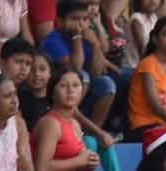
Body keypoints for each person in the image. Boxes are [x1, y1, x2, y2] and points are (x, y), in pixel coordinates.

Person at [33, 69, 125, 171]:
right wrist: (79, 161)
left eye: (76, 85)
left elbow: (74, 164)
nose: (70, 90)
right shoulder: (50, 123)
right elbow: (41, 169)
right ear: (52, 92)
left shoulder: (74, 123)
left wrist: (88, 163)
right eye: (63, 86)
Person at [43, 0, 120, 130]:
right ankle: (67, 125)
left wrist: (95, 44)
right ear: (60, 22)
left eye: (85, 19)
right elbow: (74, 69)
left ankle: (94, 131)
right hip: (56, 92)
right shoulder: (53, 40)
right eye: (75, 19)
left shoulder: (87, 36)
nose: (81, 24)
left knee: (106, 83)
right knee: (82, 76)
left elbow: (97, 72)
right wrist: (76, 37)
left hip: (80, 90)